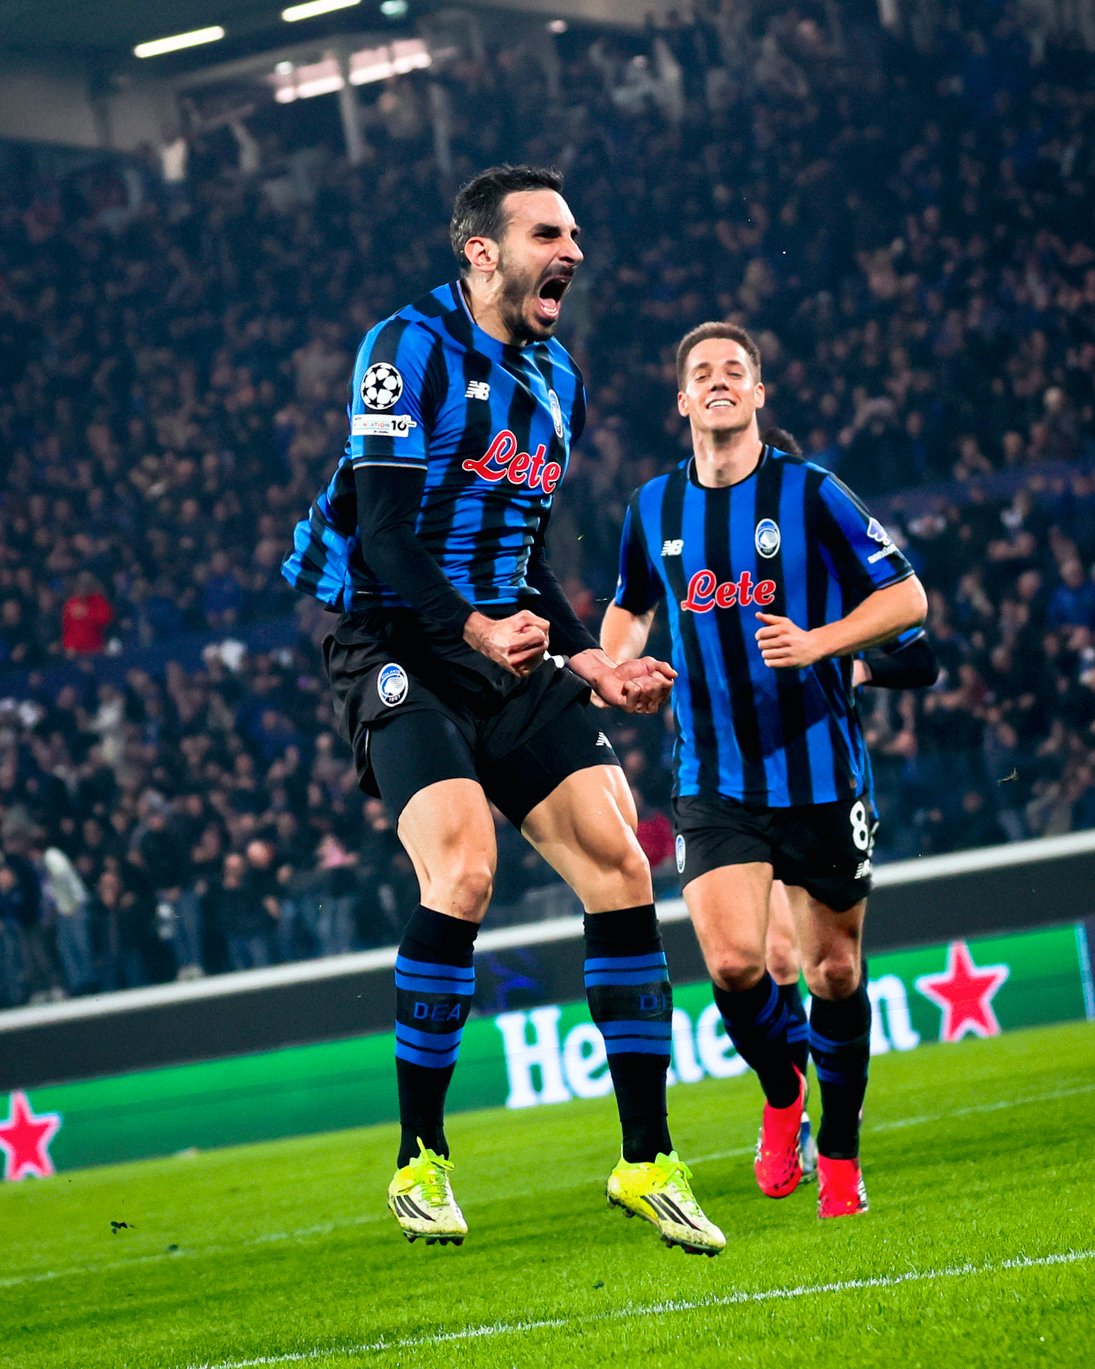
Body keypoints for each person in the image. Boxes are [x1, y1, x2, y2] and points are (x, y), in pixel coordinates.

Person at [283, 165, 723, 1254]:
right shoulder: (404, 349)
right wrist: (476, 631)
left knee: (621, 863)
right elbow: (385, 536)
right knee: (465, 867)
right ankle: (420, 1158)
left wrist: (591, 662)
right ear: (482, 252)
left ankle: (646, 1159)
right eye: (548, 233)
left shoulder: (557, 378)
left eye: (575, 233)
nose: (572, 250)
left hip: (504, 639)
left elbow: (523, 557)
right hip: (395, 637)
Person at [600, 323, 928, 1219]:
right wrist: (616, 666)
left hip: (821, 774)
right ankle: (784, 1092)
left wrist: (820, 642)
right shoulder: (652, 506)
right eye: (701, 371)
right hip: (714, 778)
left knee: (832, 974)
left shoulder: (811, 492)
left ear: (755, 394)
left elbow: (906, 596)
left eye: (733, 370)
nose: (718, 380)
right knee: (737, 963)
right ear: (682, 399)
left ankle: (841, 1154)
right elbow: (629, 606)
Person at [759, 428, 941, 1184]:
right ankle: (791, 1111)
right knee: (772, 957)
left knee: (826, 966)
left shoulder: (833, 555)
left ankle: (833, 1118)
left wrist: (852, 662)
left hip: (824, 780)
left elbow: (922, 658)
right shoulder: (708, 556)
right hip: (739, 786)